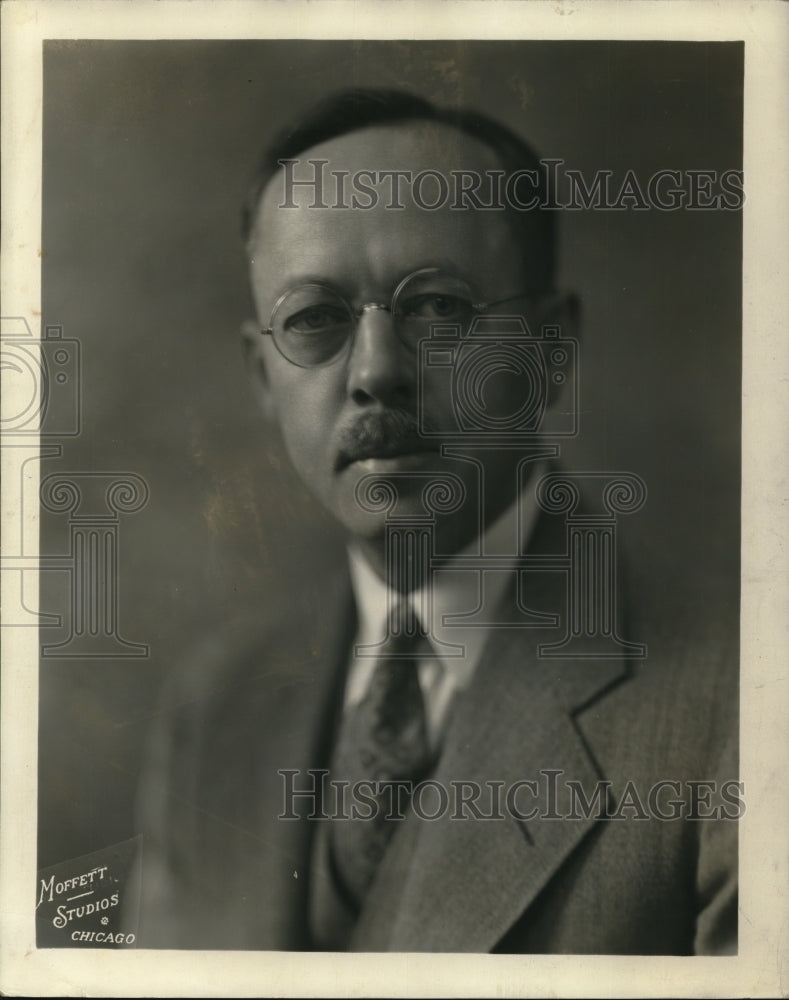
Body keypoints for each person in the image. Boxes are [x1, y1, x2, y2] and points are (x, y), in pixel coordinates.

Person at [134, 89, 738, 954]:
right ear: (264, 377)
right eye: (315, 320)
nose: (376, 373)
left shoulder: (742, 703)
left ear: (549, 350)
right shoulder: (215, 711)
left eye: (437, 309)